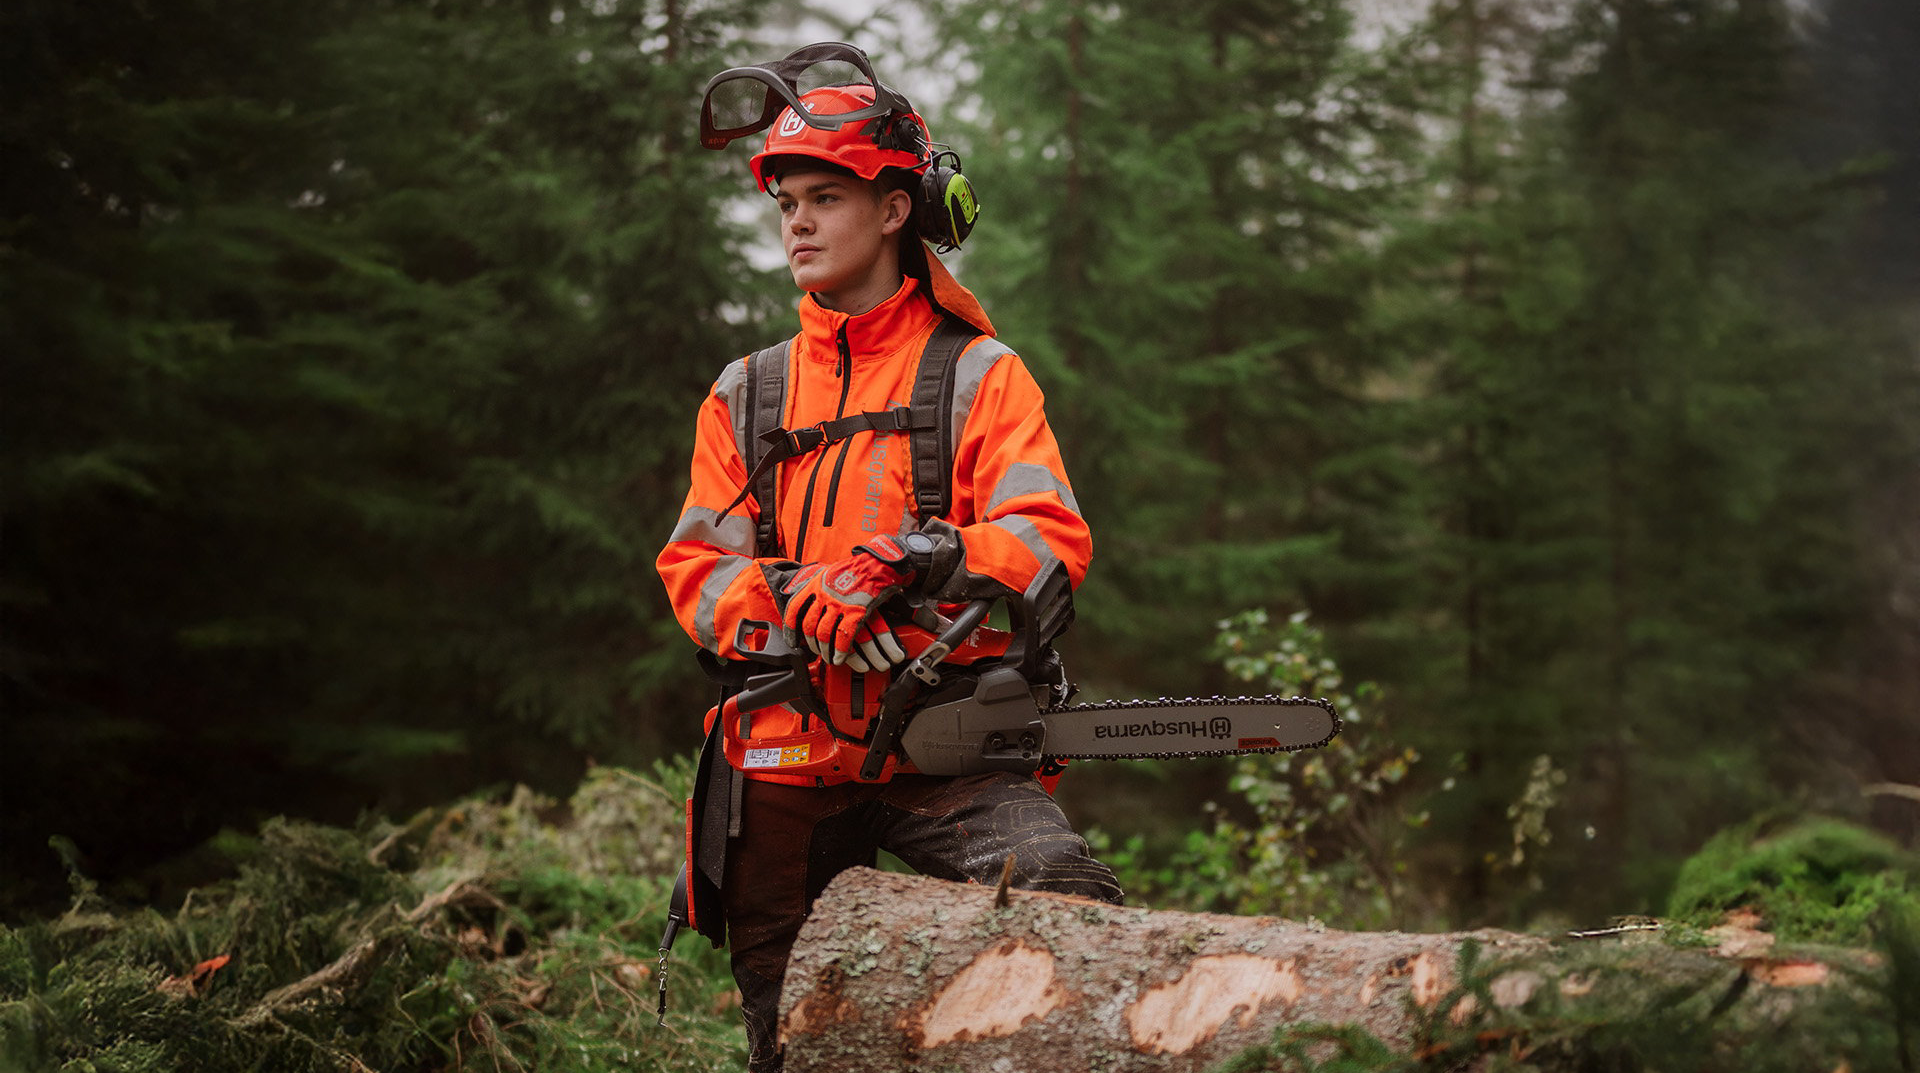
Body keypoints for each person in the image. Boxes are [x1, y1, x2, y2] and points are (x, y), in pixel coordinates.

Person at [657, 43, 1121, 1072]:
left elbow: (1050, 541)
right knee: (791, 1037)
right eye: (788, 203)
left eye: (826, 196)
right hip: (779, 751)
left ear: (896, 209)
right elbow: (697, 568)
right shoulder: (748, 392)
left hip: (943, 745)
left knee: (1063, 906)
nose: (801, 224)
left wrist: (921, 558)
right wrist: (805, 602)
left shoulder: (979, 377)